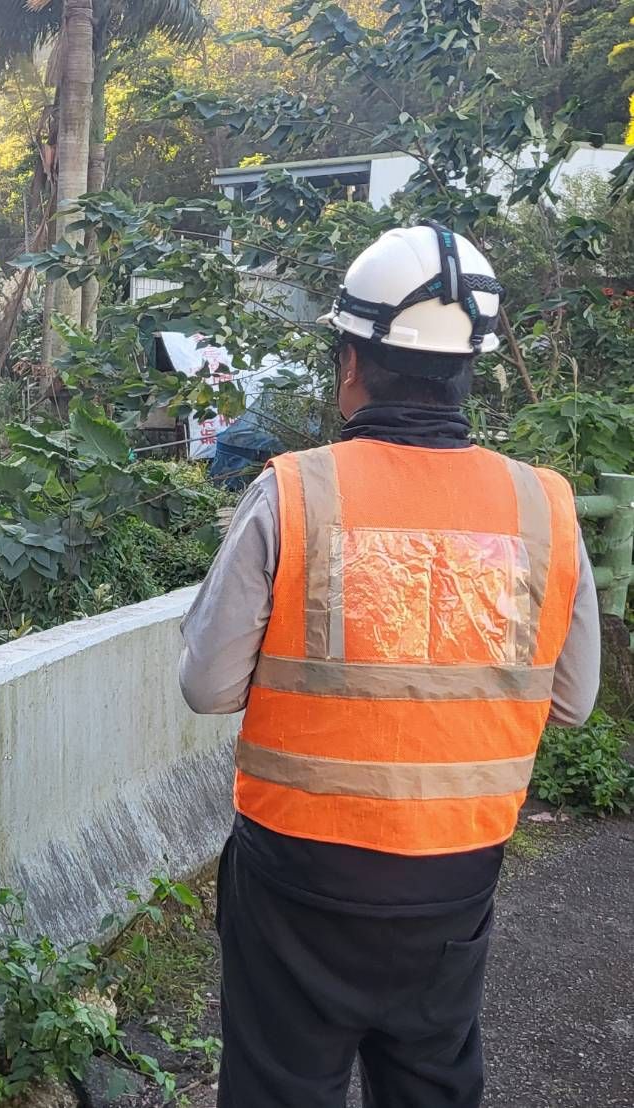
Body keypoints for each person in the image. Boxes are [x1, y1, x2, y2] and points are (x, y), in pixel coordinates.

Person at [178, 223, 601, 1108]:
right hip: (453, 876)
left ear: (348, 363)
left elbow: (209, 686)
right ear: (468, 368)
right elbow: (573, 699)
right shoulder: (543, 507)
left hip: (297, 875)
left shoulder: (293, 491)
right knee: (430, 1081)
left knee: (279, 1086)